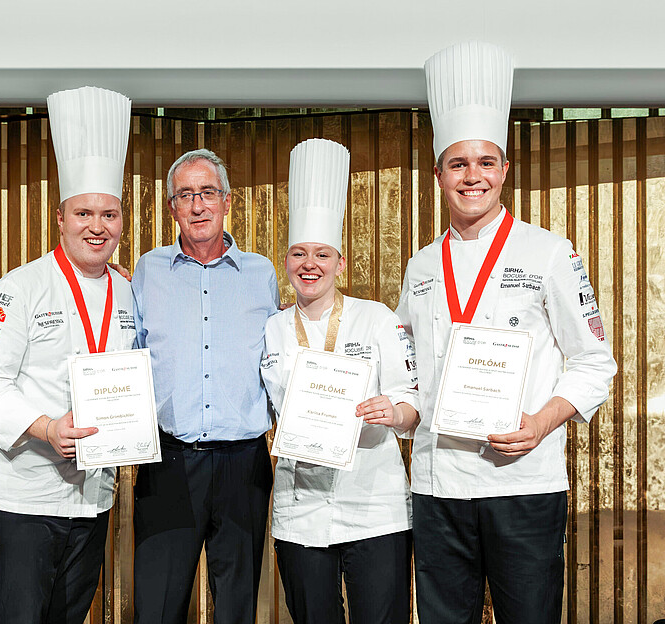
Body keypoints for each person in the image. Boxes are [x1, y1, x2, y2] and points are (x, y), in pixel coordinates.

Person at [396, 41, 617, 624]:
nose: (473, 177)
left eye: (486, 162)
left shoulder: (549, 253)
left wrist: (541, 424)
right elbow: (408, 369)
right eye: (459, 164)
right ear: (438, 172)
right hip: (438, 483)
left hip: (522, 480)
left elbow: (595, 363)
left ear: (505, 171)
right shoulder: (420, 267)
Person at [0, 85, 135, 624]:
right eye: (85, 213)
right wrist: (45, 427)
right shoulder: (19, 288)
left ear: (122, 220)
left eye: (109, 214)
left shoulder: (129, 290)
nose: (98, 226)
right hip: (23, 498)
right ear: (60, 217)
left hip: (93, 498)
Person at [261, 138, 418, 624]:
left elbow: (412, 400)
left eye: (323, 254)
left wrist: (392, 413)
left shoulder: (376, 318)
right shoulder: (272, 327)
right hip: (300, 507)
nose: (310, 264)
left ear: (340, 263)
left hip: (375, 507)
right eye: (299, 253)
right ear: (286, 261)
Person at [131, 148, 280, 624]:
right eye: (186, 195)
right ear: (172, 206)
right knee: (157, 605)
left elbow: (282, 358)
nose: (198, 205)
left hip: (244, 465)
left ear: (228, 201)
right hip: (169, 461)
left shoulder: (263, 274)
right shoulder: (146, 271)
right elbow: (129, 355)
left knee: (237, 606)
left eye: (208, 193)